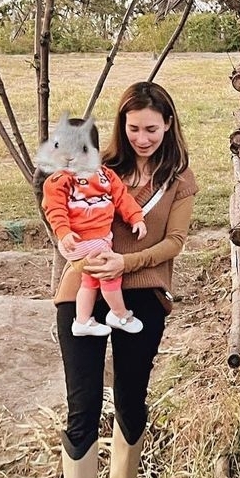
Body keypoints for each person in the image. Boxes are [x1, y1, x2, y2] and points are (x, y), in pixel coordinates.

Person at [53, 81, 197, 478]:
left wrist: (127, 260)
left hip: (142, 295)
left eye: (151, 129)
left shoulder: (179, 179)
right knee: (82, 405)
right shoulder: (97, 165)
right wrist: (68, 239)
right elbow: (58, 205)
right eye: (133, 128)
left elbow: (175, 242)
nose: (141, 137)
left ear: (168, 125)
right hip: (82, 290)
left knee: (130, 399)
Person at [37, 112, 148, 337]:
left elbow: (122, 198)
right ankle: (119, 313)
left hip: (99, 238)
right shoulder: (60, 180)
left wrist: (136, 217)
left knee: (90, 281)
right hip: (79, 240)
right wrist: (63, 232)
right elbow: (54, 208)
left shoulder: (106, 176)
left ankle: (83, 320)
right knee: (109, 273)